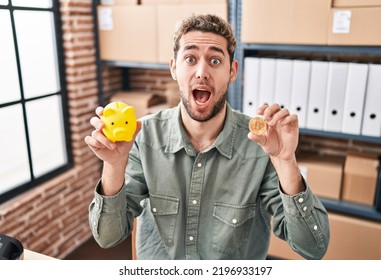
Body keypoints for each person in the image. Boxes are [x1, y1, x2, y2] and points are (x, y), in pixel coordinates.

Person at [85, 14, 330, 260]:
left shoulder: (262, 144)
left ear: (232, 71)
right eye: (190, 58)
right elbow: (108, 238)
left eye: (215, 60)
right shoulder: (143, 136)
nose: (202, 72)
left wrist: (286, 161)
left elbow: (313, 247)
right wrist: (114, 165)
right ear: (174, 68)